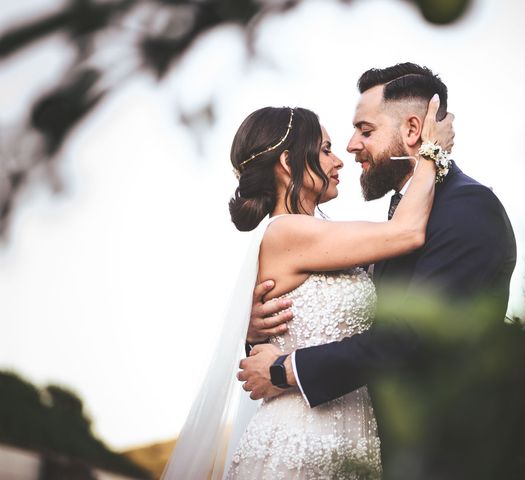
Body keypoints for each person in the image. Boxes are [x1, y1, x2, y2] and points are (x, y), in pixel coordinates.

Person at [238, 62, 518, 478]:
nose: (349, 149)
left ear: (411, 131)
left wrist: (283, 368)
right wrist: (256, 331)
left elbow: (412, 337)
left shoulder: (465, 208)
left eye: (364, 131)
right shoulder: (375, 227)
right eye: (332, 144)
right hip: (319, 444)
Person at [162, 97, 454, 480]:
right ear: (287, 163)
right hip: (299, 444)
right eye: (327, 150)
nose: (338, 161)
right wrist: (432, 153)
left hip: (350, 436)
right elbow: (407, 232)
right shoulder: (287, 230)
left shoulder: (318, 236)